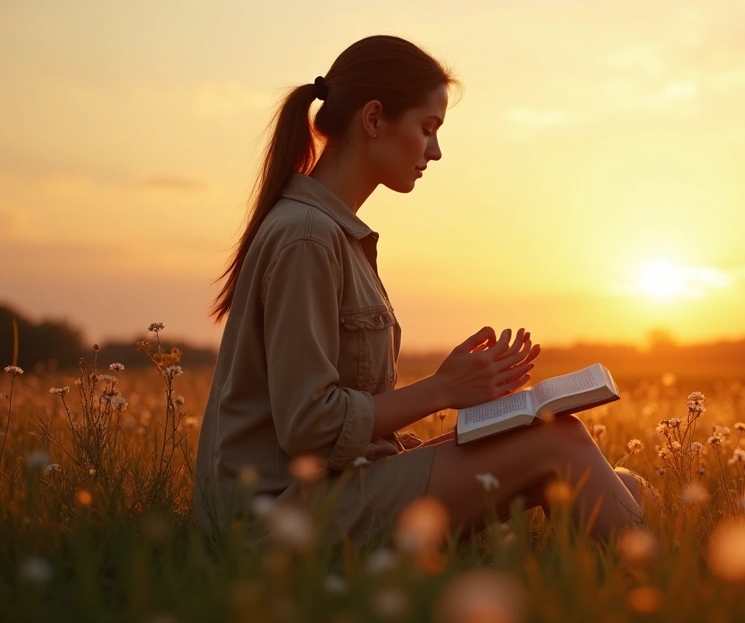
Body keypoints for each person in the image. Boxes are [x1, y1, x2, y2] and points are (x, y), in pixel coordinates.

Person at [194, 35, 647, 548]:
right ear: (373, 120)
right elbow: (310, 426)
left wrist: (469, 405)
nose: (435, 151)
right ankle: (673, 590)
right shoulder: (308, 237)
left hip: (328, 489)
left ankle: (587, 586)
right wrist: (442, 391)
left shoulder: (333, 234)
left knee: (615, 483)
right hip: (277, 519)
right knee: (560, 445)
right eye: (427, 129)